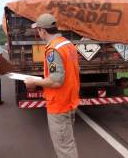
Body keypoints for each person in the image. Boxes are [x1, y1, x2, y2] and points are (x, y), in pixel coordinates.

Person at [24, 13, 80, 158]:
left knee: (64, 148)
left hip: (59, 104)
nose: (38, 33)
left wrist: (34, 81)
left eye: (38, 30)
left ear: (42, 30)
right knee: (68, 142)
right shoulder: (68, 44)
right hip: (69, 100)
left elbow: (56, 80)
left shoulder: (53, 50)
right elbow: (75, 70)